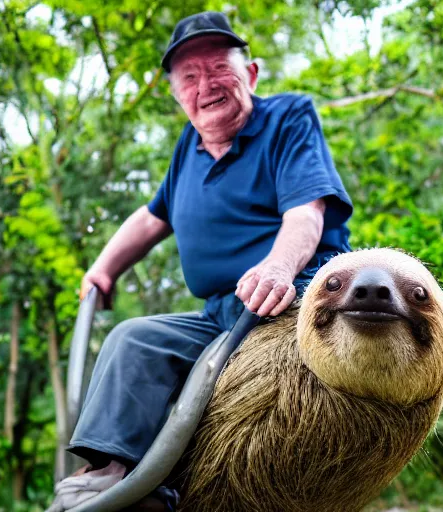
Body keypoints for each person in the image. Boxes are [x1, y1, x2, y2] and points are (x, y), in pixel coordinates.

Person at [48, 11, 353, 512]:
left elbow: (306, 210)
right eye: (189, 77)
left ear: (250, 74)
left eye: (218, 69)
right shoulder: (187, 147)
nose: (205, 85)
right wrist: (103, 270)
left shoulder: (288, 117)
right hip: (219, 311)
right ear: (176, 93)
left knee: (222, 394)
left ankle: (168, 481)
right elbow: (151, 220)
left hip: (291, 299)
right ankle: (111, 476)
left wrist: (277, 268)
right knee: (133, 338)